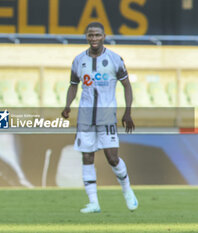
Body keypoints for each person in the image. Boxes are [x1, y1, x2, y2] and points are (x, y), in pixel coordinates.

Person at [61, 22, 138, 213]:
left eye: (97, 35)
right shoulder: (79, 60)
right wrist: (67, 105)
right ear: (86, 37)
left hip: (106, 117)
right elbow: (73, 85)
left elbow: (127, 85)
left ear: (104, 36)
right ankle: (93, 202)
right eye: (90, 35)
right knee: (87, 157)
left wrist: (128, 111)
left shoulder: (114, 59)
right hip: (85, 117)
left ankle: (127, 190)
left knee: (112, 158)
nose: (93, 39)